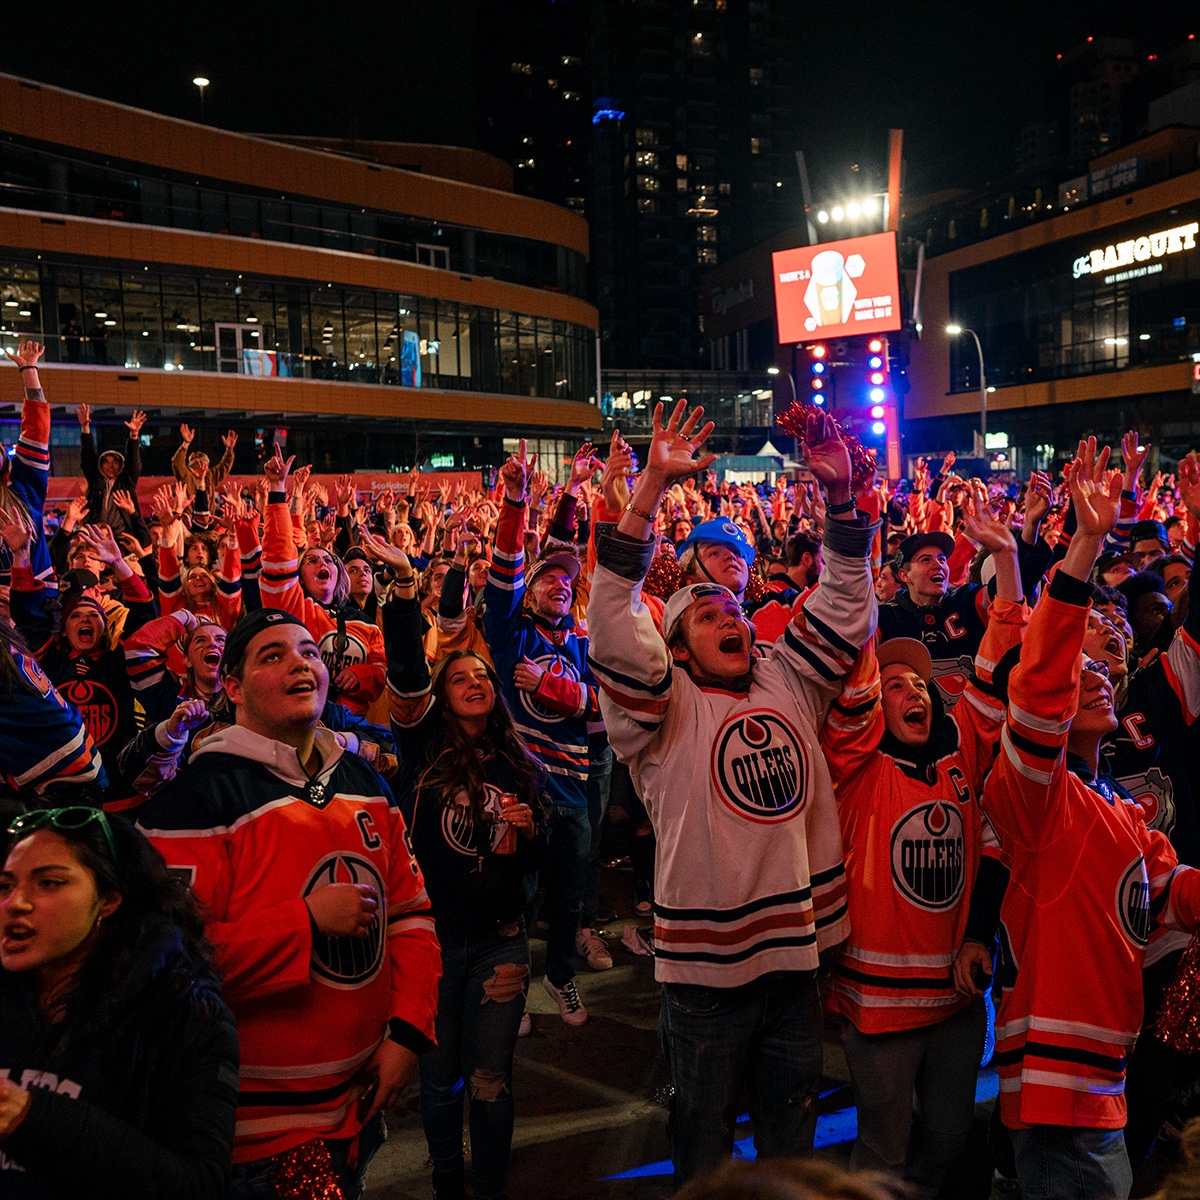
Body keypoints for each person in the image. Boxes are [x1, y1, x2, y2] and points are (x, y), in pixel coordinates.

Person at [588, 401, 878, 1187]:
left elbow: (847, 603)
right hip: (706, 979)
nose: (733, 619)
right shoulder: (656, 704)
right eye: (708, 613)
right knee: (705, 1144)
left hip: (796, 960)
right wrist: (647, 491)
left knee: (792, 1139)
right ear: (676, 644)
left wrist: (843, 502)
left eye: (736, 611)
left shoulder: (788, 674)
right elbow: (614, 617)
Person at [137, 607, 440, 1195]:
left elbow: (411, 913)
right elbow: (164, 963)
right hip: (254, 1136)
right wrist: (304, 923)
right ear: (232, 687)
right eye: (272, 656)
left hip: (359, 1104)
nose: (300, 663)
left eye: (307, 651)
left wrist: (407, 1031)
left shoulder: (363, 779)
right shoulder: (196, 798)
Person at [983, 439, 1200, 1200]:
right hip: (1057, 1080)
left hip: (1100, 1072)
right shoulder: (1035, 800)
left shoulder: (1112, 804)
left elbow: (1172, 893)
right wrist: (1082, 544)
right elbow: (1040, 683)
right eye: (1085, 672)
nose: (1100, 678)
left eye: (1107, 668)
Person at [820, 478, 1028, 1194]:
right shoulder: (853, 764)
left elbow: (1003, 651)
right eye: (893, 686)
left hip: (960, 996)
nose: (910, 692)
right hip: (878, 1004)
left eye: (918, 685)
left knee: (946, 1144)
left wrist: (1007, 558)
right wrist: (848, 519)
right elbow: (852, 652)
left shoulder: (963, 747)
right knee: (882, 1156)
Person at [381, 538, 546, 1200]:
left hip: (501, 941)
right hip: (434, 942)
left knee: (492, 1077)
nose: (475, 680)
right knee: (439, 1076)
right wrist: (400, 593)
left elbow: (536, 864)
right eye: (460, 676)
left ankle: (494, 1186)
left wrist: (531, 835)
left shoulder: (520, 766)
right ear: (442, 697)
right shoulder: (421, 747)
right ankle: (450, 1180)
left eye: (483, 675)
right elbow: (406, 672)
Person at [0, 804, 239, 1198]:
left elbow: (197, 1184)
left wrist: (29, 1116)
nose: (16, 902)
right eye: (6, 885)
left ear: (109, 900)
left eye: (49, 883)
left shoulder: (185, 1012)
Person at [482, 439, 600, 1025]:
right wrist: (515, 500)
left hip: (574, 789)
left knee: (569, 895)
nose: (560, 583)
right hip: (519, 788)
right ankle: (515, 986)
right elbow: (501, 576)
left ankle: (560, 979)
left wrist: (558, 690)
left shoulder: (580, 644)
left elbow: (607, 709)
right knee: (517, 896)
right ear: (528, 591)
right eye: (547, 578)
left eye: (566, 581)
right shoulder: (509, 637)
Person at [258, 445, 386, 715]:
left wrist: (361, 675)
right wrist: (278, 488)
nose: (323, 563)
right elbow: (280, 552)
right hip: (298, 716)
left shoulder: (364, 622)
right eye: (312, 560)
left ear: (339, 573)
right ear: (299, 575)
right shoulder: (293, 607)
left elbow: (381, 668)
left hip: (352, 726)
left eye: (329, 560)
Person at [75, 402, 145, 536]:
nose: (111, 466)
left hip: (122, 539)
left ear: (120, 465)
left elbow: (133, 462)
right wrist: (85, 427)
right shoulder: (96, 481)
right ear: (100, 465)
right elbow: (88, 457)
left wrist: (134, 434)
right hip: (97, 537)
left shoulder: (126, 482)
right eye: (106, 462)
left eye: (115, 462)